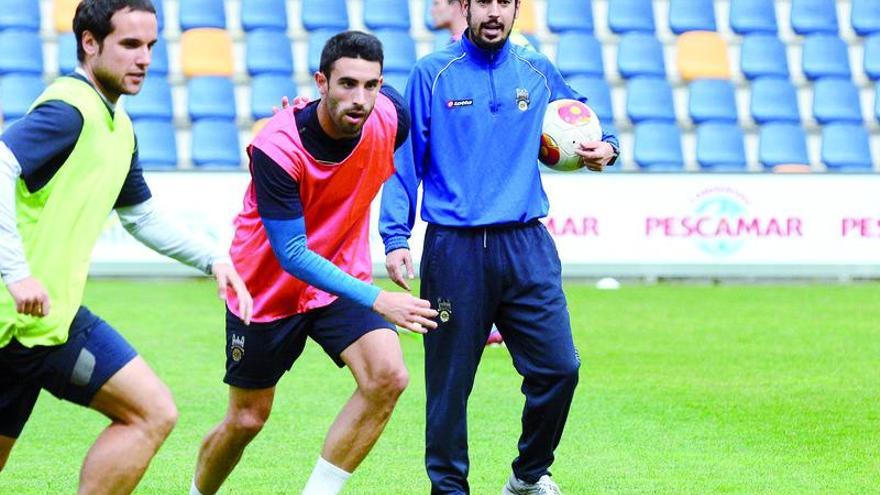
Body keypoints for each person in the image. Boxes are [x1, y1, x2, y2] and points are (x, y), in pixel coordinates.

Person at [0, 1, 253, 493]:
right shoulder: (68, 110)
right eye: (130, 45)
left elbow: (141, 216)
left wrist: (212, 258)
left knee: (152, 413)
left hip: (50, 320)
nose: (144, 59)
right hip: (14, 320)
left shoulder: (117, 124)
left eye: (151, 46)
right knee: (150, 413)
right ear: (90, 44)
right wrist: (16, 271)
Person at [380, 0, 619, 493]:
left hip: (526, 243)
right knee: (449, 386)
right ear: (465, 7)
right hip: (454, 250)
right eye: (482, 2)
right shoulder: (431, 73)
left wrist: (608, 147)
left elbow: (584, 117)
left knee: (560, 369)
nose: (494, 12)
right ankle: (448, 489)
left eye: (504, 2)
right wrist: (396, 236)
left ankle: (528, 475)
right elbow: (403, 161)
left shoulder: (536, 67)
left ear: (515, 9)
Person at [190, 31, 438, 495]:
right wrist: (379, 299)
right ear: (321, 82)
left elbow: (415, 164)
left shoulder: (391, 115)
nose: (360, 98)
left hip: (338, 279)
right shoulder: (276, 146)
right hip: (265, 290)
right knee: (247, 418)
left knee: (387, 376)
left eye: (370, 85)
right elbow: (292, 255)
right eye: (346, 84)